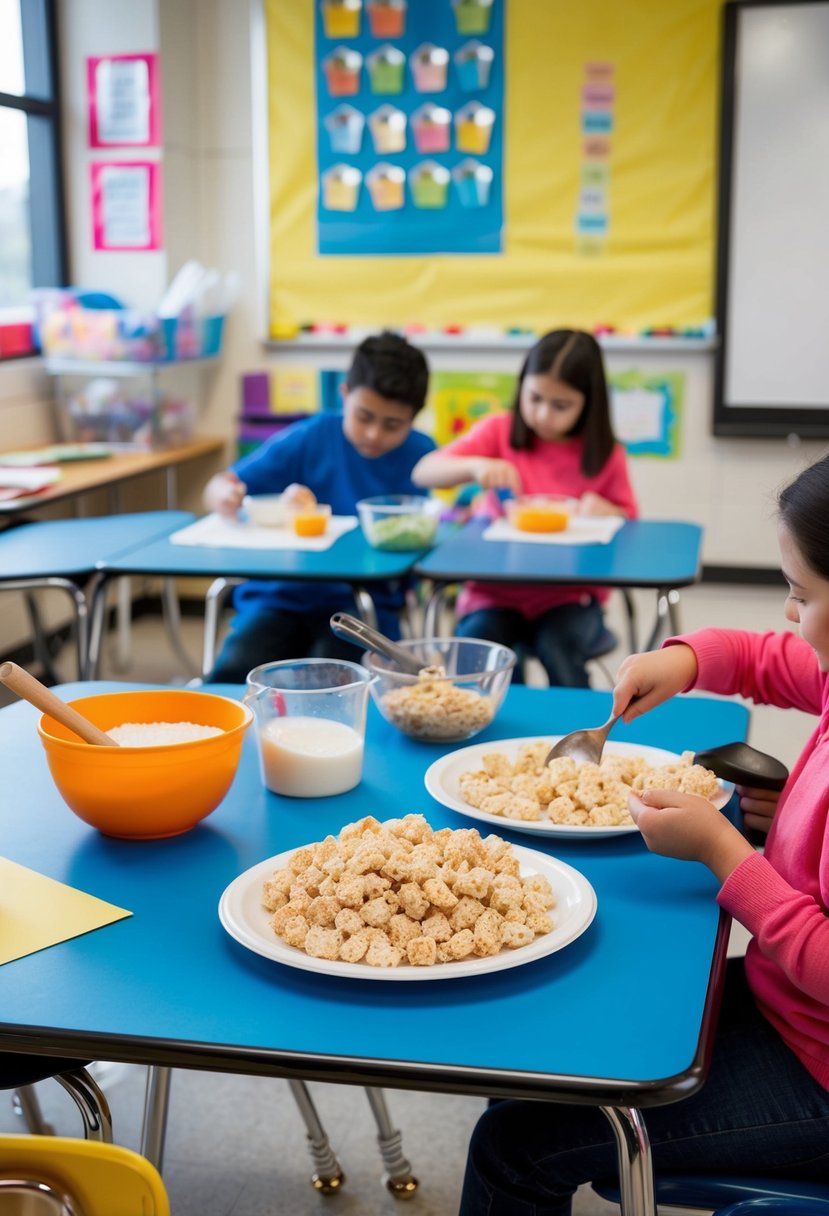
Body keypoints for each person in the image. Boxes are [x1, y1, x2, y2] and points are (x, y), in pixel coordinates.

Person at [457, 453, 829, 1215]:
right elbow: (765, 659)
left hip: (813, 1067)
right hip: (785, 1004)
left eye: (799, 595)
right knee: (528, 1064)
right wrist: (683, 658)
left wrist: (724, 852)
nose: (787, 616)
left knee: (510, 1149)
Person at [203, 331, 435, 682]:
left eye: (392, 424)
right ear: (344, 394)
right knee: (235, 674)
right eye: (364, 416)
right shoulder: (310, 438)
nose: (374, 433)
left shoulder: (423, 458)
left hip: (360, 607)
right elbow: (221, 484)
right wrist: (224, 495)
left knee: (336, 681)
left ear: (414, 417)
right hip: (278, 598)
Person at [411, 329, 638, 687]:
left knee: (560, 650)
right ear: (521, 388)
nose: (543, 414)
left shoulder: (606, 455)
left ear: (589, 403)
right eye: (534, 398)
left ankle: (574, 737)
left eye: (561, 405)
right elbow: (423, 471)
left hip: (568, 597)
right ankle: (495, 736)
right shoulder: (498, 432)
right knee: (482, 660)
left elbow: (631, 526)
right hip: (493, 593)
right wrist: (475, 466)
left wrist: (611, 510)